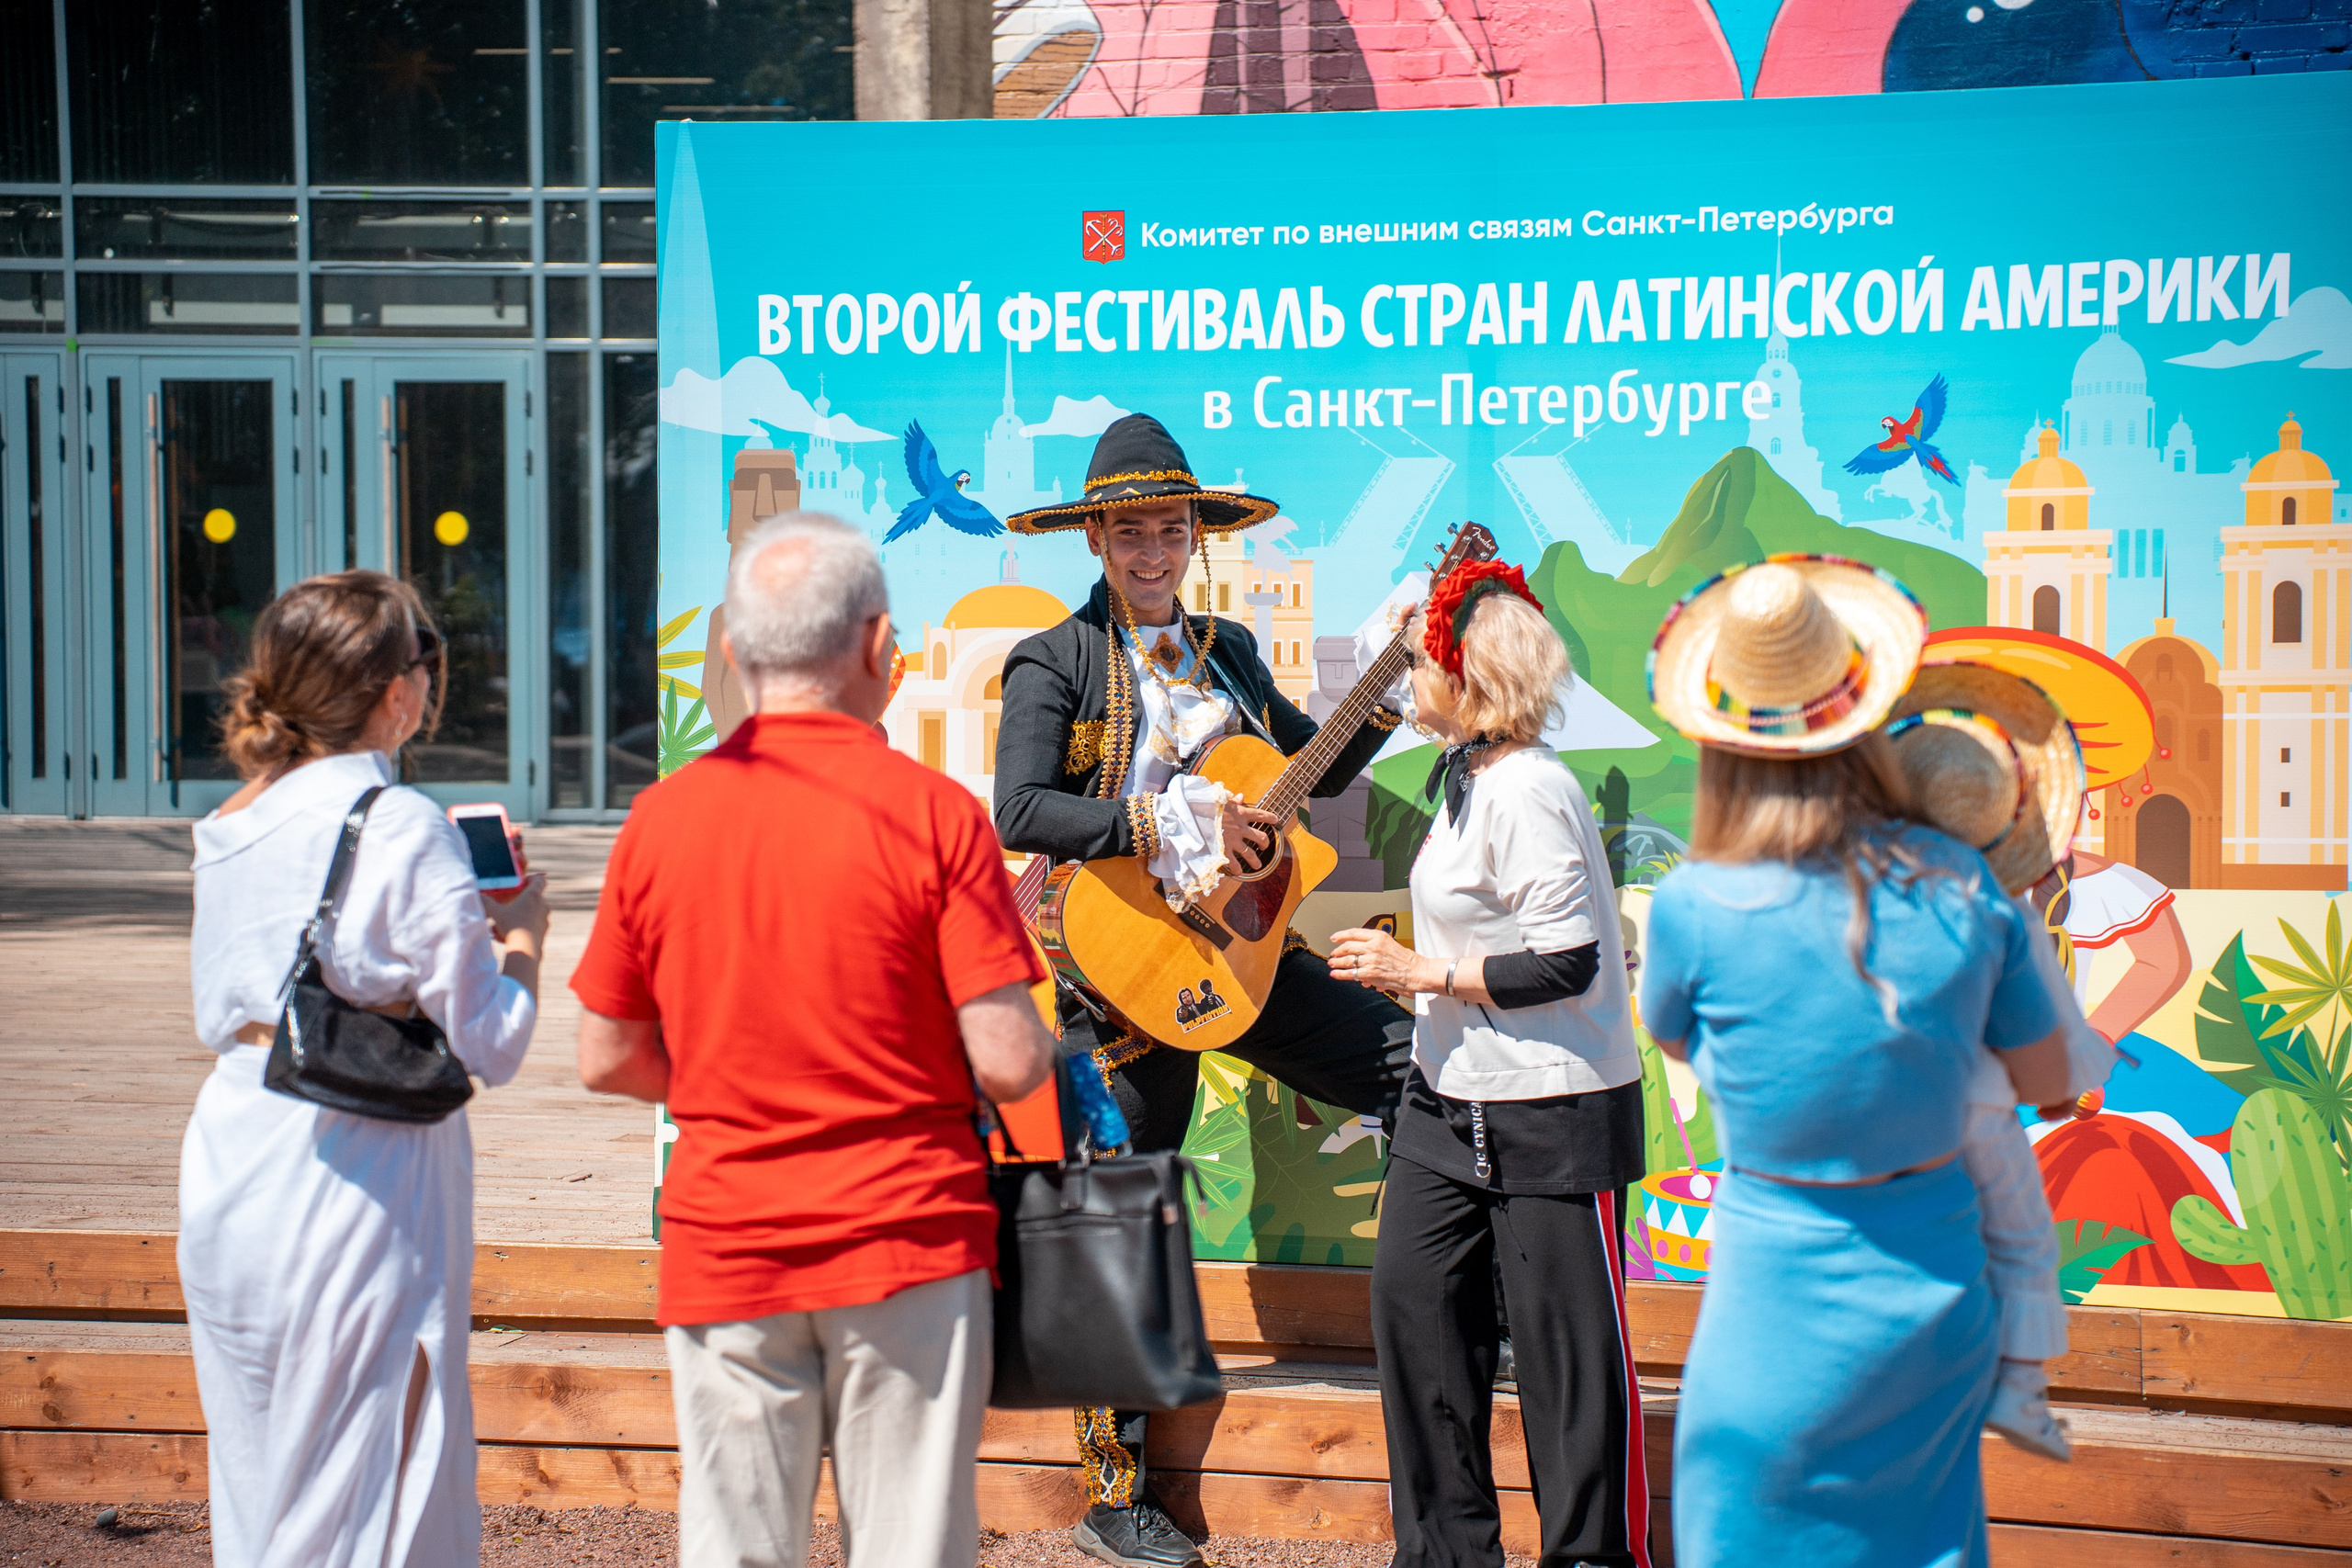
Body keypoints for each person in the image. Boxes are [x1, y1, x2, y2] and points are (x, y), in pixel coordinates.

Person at [570, 513, 1057, 1568]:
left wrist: (734, 1084)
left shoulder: (661, 818)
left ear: (736, 656)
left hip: (727, 1239)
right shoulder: (934, 815)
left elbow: (606, 1054)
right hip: (908, 1237)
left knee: (737, 1548)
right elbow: (1011, 1060)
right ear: (881, 648)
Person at [993, 414, 1415, 1568]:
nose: (1150, 551)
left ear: (1195, 538)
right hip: (1116, 967)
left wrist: (1380, 686)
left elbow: (1300, 767)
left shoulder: (1226, 647)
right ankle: (1111, 1493)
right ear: (1094, 538)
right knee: (1120, 1207)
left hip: (1239, 951)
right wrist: (1153, 820)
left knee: (1416, 1067)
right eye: (1128, 531)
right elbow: (1020, 811)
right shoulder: (1055, 659)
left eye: (1169, 531)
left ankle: (1468, 1324)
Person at [1637, 556, 2073, 1568]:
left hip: (1769, 1314)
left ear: (1723, 742)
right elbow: (2051, 1076)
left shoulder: (1695, 905)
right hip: (1931, 1302)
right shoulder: (1962, 885)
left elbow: (1674, 1034)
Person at [182, 570, 548, 1566]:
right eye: (425, 660)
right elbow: (491, 1040)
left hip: (233, 1147)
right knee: (373, 1469)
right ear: (398, 690)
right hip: (355, 1175)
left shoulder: (229, 825)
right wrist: (522, 940)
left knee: (260, 1464)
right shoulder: (400, 826)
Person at [1328, 561, 1652, 1568]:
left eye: (1418, 664)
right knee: (1414, 1313)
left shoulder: (1531, 788)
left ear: (1469, 679)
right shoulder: (1469, 778)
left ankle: (1591, 1558)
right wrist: (1426, 979)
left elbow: (1565, 960)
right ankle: (1443, 1555)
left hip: (1552, 1108)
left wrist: (1420, 968)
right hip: (1447, 1100)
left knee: (1568, 1363)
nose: (1404, 682)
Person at [1886, 661, 2121, 1462]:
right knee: (2022, 1235)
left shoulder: (1855, 896)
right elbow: (2052, 1054)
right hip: (1976, 1109)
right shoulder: (1994, 910)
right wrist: (2059, 1090)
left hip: (1877, 1117)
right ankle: (2019, 1386)